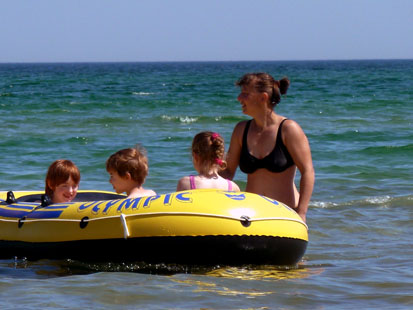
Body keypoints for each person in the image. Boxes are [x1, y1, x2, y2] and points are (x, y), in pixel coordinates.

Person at [220, 73, 314, 222]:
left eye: (245, 94)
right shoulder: (241, 130)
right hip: (252, 216)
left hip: (285, 214)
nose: (239, 98)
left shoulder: (288, 129)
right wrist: (207, 170)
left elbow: (308, 171)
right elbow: (228, 172)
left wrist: (301, 212)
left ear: (263, 97)